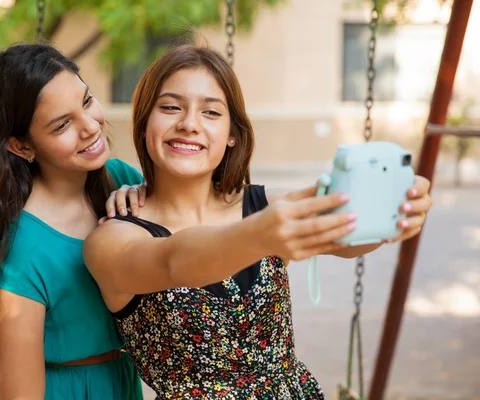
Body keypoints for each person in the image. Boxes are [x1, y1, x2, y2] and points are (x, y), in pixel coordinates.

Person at [84, 44, 433, 398]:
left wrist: (397, 209)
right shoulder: (111, 240)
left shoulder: (265, 204)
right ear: (145, 123)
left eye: (211, 112)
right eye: (171, 107)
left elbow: (347, 235)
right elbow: (174, 261)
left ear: (232, 134)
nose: (189, 124)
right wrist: (262, 234)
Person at [0, 43, 146, 400]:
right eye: (62, 125)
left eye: (86, 101)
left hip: (122, 383)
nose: (90, 127)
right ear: (22, 147)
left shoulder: (120, 180)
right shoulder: (23, 253)